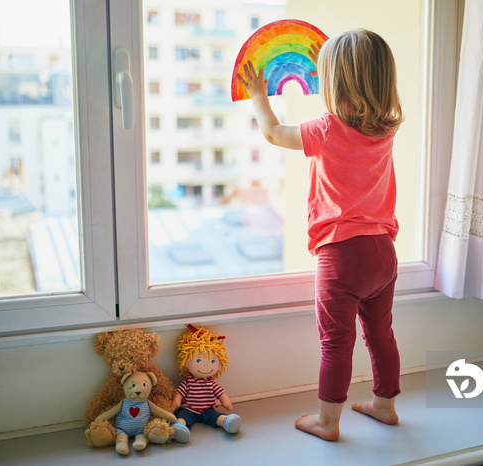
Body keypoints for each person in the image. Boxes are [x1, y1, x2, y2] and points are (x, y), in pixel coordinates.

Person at [237, 28, 403, 441]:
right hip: (383, 251)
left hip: (342, 255)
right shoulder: (387, 128)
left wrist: (259, 93)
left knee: (336, 343)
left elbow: (274, 133)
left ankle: (328, 421)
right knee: (380, 332)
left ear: (333, 83)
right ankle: (385, 406)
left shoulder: (326, 129)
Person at [170, 325, 241, 443]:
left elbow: (222, 395)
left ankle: (227, 422)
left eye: (213, 361)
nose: (207, 365)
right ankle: (180, 428)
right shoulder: (187, 383)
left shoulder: (211, 384)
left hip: (207, 410)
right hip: (188, 409)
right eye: (198, 360)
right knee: (183, 416)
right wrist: (174, 405)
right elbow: (179, 396)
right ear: (187, 362)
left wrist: (226, 403)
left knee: (215, 416)